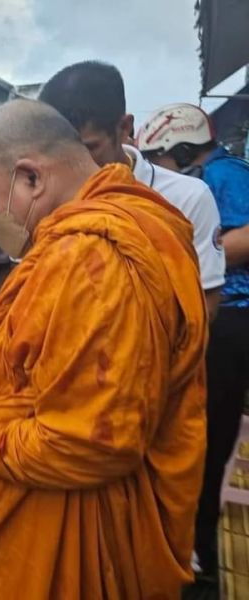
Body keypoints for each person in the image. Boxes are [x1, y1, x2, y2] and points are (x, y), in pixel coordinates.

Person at [0, 99, 207, 599]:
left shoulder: (93, 256)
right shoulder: (129, 220)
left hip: (73, 531)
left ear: (31, 178)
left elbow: (89, 443)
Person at [137, 102, 249, 579]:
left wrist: (205, 251)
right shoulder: (229, 171)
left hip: (227, 323)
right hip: (225, 323)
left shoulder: (216, 179)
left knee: (198, 438)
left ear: (180, 151)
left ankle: (191, 550)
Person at [39, 61, 225, 318]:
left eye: (90, 148)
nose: (77, 166)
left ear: (124, 128)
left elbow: (205, 301)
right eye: (61, 154)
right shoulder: (45, 197)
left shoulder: (187, 199)